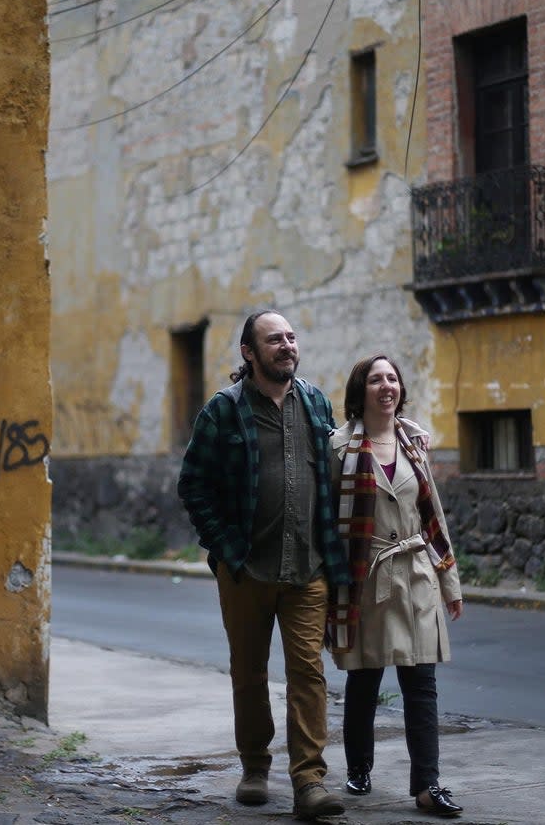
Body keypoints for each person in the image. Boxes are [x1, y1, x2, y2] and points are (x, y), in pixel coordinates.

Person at [178, 310, 348, 822]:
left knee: (308, 674)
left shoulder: (316, 402)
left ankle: (308, 781)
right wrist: (228, 549)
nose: (287, 346)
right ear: (249, 352)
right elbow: (193, 485)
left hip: (309, 568)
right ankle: (254, 766)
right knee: (249, 674)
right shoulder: (223, 411)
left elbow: (342, 463)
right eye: (274, 340)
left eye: (292, 337)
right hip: (246, 571)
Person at [327, 354, 465, 818]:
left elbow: (433, 516)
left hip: (416, 574)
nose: (387, 386)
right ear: (359, 390)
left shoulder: (415, 442)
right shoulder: (339, 448)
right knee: (364, 679)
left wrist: (450, 581)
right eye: (376, 379)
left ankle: (428, 785)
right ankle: (359, 767)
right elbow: (327, 523)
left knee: (421, 683)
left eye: (392, 379)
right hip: (365, 579)